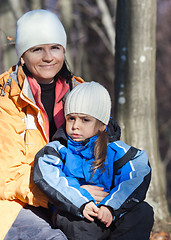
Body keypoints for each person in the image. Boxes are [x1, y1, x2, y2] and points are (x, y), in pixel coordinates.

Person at [0, 9, 108, 240]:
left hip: (72, 199)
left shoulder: (80, 92)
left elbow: (103, 151)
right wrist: (69, 193)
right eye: (37, 49)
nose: (48, 57)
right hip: (15, 205)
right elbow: (6, 178)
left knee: (133, 218)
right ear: (22, 55)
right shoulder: (4, 99)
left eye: (55, 47)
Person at [34, 81, 154, 240]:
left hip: (110, 211)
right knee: (79, 226)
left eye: (85, 120)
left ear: (102, 125)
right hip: (76, 212)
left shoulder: (116, 151)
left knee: (142, 212)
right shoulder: (57, 150)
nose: (75, 126)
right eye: (71, 118)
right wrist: (81, 199)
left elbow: (136, 173)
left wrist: (110, 207)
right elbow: (50, 177)